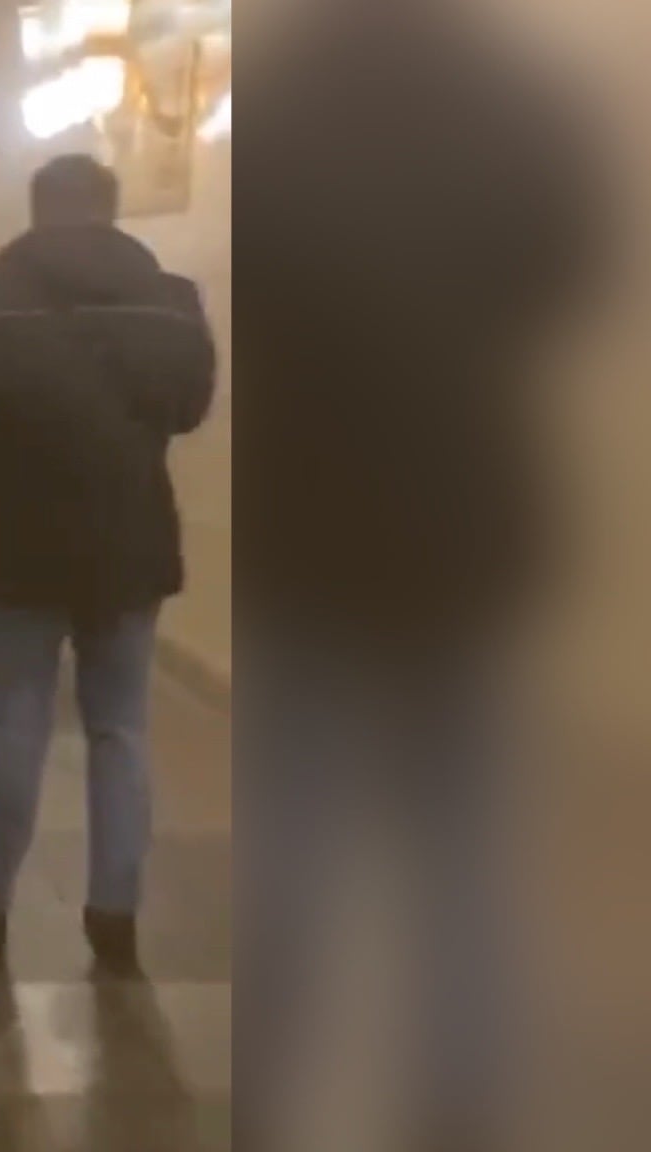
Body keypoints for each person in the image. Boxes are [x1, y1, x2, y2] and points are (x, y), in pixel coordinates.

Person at [235, 2, 602, 1147]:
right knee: (463, 845)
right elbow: (566, 270)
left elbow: (253, 284)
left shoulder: (284, 104)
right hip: (462, 520)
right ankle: (459, 1101)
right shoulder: (515, 103)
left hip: (310, 516)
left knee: (292, 830)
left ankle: (266, 1078)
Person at [0, 154, 216, 976]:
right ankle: (115, 911)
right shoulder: (173, 304)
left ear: (35, 214)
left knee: (16, 720)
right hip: (129, 543)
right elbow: (188, 410)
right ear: (114, 214)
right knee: (122, 728)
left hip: (16, 540)